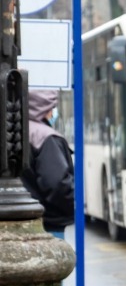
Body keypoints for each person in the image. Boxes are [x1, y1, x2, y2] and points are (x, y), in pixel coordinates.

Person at [21, 89, 74, 239]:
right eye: (51, 109)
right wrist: (71, 205)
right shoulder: (46, 137)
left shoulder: (19, 131)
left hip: (22, 219)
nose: (53, 113)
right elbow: (56, 183)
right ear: (44, 110)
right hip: (47, 223)